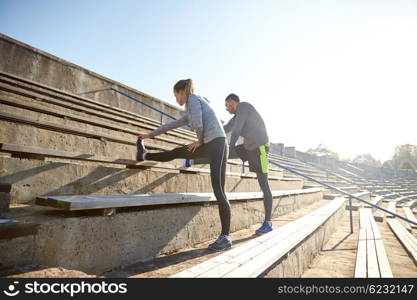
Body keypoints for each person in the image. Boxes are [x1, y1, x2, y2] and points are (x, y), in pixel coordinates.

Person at [136, 79, 232, 251]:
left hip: (214, 143)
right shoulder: (194, 104)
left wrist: (199, 141)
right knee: (178, 152)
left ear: (181, 92)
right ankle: (144, 154)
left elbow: (199, 124)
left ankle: (225, 237)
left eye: (175, 95)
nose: (176, 100)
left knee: (219, 190)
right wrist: (150, 135)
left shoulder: (193, 99)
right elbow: (172, 124)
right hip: (217, 143)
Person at [223, 93, 273, 235]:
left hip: (261, 148)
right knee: (222, 152)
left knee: (264, 184)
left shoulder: (244, 106)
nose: (226, 109)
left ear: (232, 102)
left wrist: (231, 144)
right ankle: (193, 160)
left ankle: (268, 223)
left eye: (226, 105)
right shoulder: (236, 117)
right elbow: (226, 127)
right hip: (249, 147)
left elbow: (237, 129)